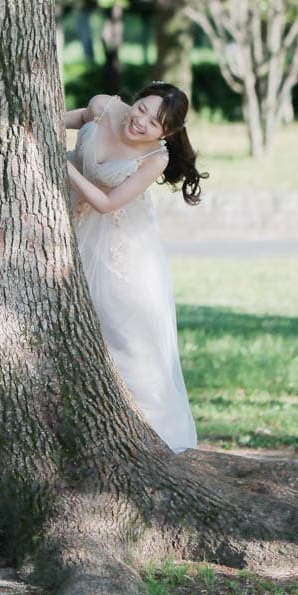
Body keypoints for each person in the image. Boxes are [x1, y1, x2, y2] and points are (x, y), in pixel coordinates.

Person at [63, 82, 203, 453]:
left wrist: (60, 164)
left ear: (166, 133)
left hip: (117, 245)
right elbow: (55, 122)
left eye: (154, 122)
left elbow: (108, 203)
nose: (139, 121)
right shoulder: (104, 106)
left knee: (125, 337)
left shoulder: (155, 158)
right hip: (69, 227)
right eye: (141, 108)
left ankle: (153, 434)